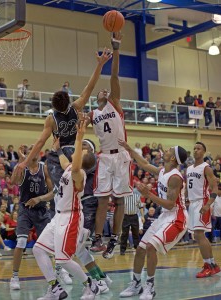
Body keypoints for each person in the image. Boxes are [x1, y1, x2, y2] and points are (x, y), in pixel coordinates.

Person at [16, 49, 112, 189]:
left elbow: (40, 143)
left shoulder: (51, 119)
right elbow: (90, 87)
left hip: (57, 155)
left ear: (53, 105)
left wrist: (25, 162)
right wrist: (100, 65)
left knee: (62, 191)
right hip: (74, 150)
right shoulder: (76, 106)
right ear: (68, 101)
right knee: (77, 188)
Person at [31, 120, 100, 300]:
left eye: (82, 151)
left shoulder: (80, 173)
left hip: (71, 219)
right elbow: (64, 163)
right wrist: (58, 149)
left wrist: (79, 136)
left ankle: (91, 285)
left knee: (63, 259)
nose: (79, 150)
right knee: (38, 249)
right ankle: (55, 289)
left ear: (85, 159)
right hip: (58, 217)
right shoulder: (70, 167)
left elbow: (74, 165)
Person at [118, 140, 188, 299]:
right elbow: (143, 163)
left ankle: (150, 286)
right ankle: (136, 284)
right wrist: (129, 149)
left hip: (177, 217)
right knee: (141, 249)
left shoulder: (175, 177)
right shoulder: (162, 171)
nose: (166, 150)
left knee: (150, 247)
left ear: (173, 159)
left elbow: (171, 204)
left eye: (170, 150)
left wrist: (149, 195)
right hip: (165, 216)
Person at [88, 32, 133, 259]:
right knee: (103, 199)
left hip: (121, 155)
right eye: (101, 91)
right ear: (96, 97)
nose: (104, 91)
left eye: (106, 91)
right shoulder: (92, 113)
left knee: (120, 199)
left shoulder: (114, 103)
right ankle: (97, 238)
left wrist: (116, 49)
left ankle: (114, 237)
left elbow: (114, 75)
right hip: (105, 156)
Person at [9, 144, 53, 290]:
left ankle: (59, 271)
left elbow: (53, 192)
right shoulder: (22, 167)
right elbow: (13, 182)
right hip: (25, 209)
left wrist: (39, 199)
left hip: (41, 210)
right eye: (30, 149)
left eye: (36, 149)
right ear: (28, 153)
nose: (34, 151)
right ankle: (14, 277)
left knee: (50, 244)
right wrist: (21, 163)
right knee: (21, 241)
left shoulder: (44, 168)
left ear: (39, 153)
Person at [186, 142, 220, 278]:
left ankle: (208, 266)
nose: (195, 150)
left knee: (200, 235)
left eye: (199, 149)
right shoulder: (188, 168)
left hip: (202, 202)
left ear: (204, 152)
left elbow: (215, 188)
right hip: (192, 204)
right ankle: (213, 265)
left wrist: (208, 205)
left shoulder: (206, 168)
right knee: (198, 236)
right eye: (194, 148)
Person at [120, 188, 145, 255]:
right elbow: (120, 208)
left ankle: (137, 247)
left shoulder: (137, 196)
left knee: (135, 233)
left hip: (134, 216)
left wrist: (142, 216)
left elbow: (140, 207)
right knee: (124, 234)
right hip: (125, 216)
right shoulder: (123, 197)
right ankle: (122, 249)